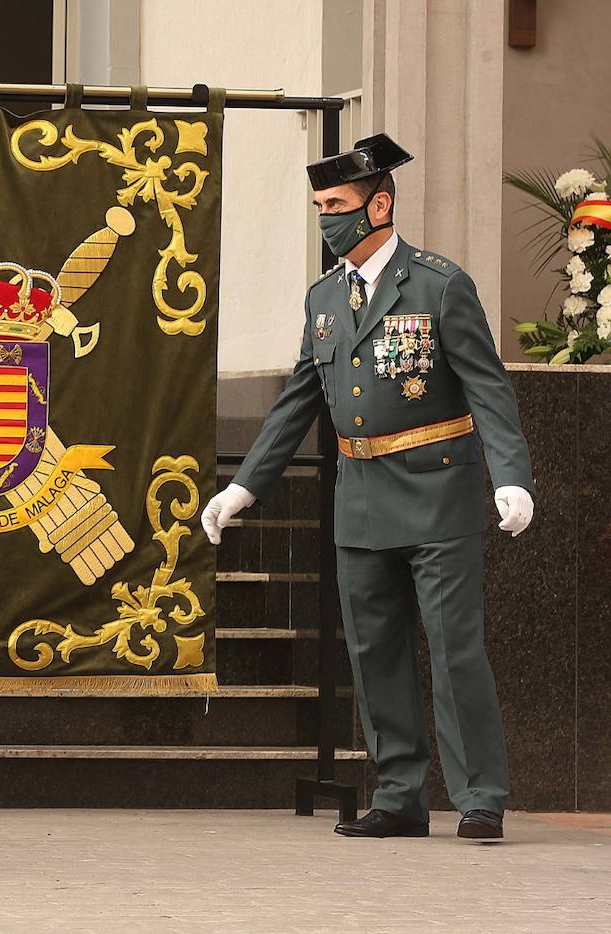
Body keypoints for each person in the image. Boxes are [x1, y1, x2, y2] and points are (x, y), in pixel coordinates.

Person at [201, 134, 535, 841]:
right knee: (374, 652)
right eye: (319, 206)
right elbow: (299, 399)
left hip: (438, 494)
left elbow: (490, 391)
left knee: (453, 650)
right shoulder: (324, 297)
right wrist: (245, 488)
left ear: (379, 205)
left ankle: (480, 796)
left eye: (338, 205)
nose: (327, 219)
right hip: (360, 495)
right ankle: (401, 793)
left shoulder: (440, 285)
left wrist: (512, 478)